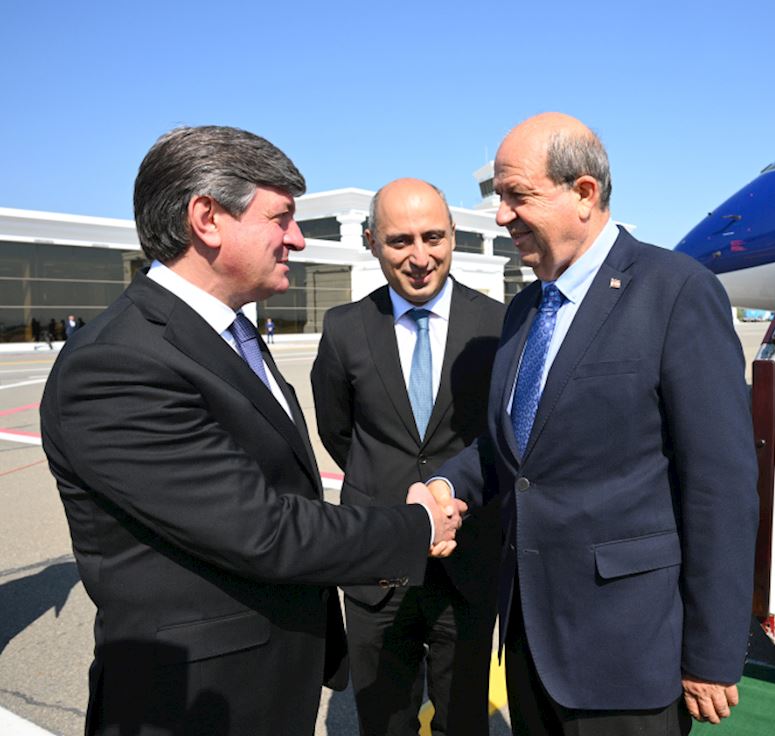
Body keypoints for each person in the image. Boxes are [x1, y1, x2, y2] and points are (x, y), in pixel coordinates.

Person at [39, 126, 464, 736]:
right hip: (193, 703)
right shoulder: (118, 363)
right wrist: (418, 523)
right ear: (207, 219)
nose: (297, 237)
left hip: (262, 681)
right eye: (281, 217)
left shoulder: (226, 333)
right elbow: (262, 528)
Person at [428, 113, 759, 736]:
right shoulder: (525, 308)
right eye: (499, 197)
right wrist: (447, 483)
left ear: (583, 193)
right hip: (529, 638)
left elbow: (721, 487)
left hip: (629, 653)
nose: (501, 216)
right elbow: (516, 448)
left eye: (517, 196)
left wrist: (712, 654)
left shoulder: (676, 291)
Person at [311, 178, 505, 735]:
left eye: (433, 237)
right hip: (377, 561)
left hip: (467, 562)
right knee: (384, 721)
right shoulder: (344, 328)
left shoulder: (498, 325)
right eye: (400, 241)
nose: (420, 257)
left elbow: (501, 437)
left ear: (453, 236)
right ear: (371, 242)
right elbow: (338, 432)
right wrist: (388, 487)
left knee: (463, 720)